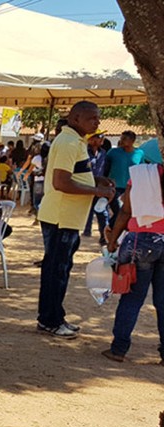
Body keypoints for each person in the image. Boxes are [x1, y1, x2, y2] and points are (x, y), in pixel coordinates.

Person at [36, 101, 116, 338]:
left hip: (68, 218)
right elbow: (61, 182)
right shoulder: (69, 143)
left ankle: (53, 316)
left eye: (98, 118)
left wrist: (96, 180)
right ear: (76, 118)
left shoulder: (76, 141)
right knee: (56, 270)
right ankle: (50, 320)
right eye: (92, 118)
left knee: (59, 269)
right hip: (61, 217)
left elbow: (74, 175)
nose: (97, 123)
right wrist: (97, 191)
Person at [101, 165, 164, 364]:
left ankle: (119, 349)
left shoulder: (140, 174)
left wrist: (112, 241)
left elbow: (125, 211)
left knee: (132, 298)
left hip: (142, 241)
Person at [103, 130, 144, 227]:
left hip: (130, 188)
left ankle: (115, 229)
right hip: (115, 187)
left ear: (132, 141)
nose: (121, 141)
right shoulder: (113, 152)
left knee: (127, 212)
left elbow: (141, 170)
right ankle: (110, 228)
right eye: (121, 138)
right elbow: (105, 167)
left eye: (124, 139)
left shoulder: (140, 153)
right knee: (118, 211)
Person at [83, 130, 109, 241]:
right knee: (88, 209)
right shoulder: (84, 152)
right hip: (87, 185)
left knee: (102, 211)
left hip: (100, 187)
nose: (102, 138)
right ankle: (86, 231)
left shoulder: (103, 152)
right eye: (100, 136)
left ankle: (104, 235)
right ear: (91, 139)